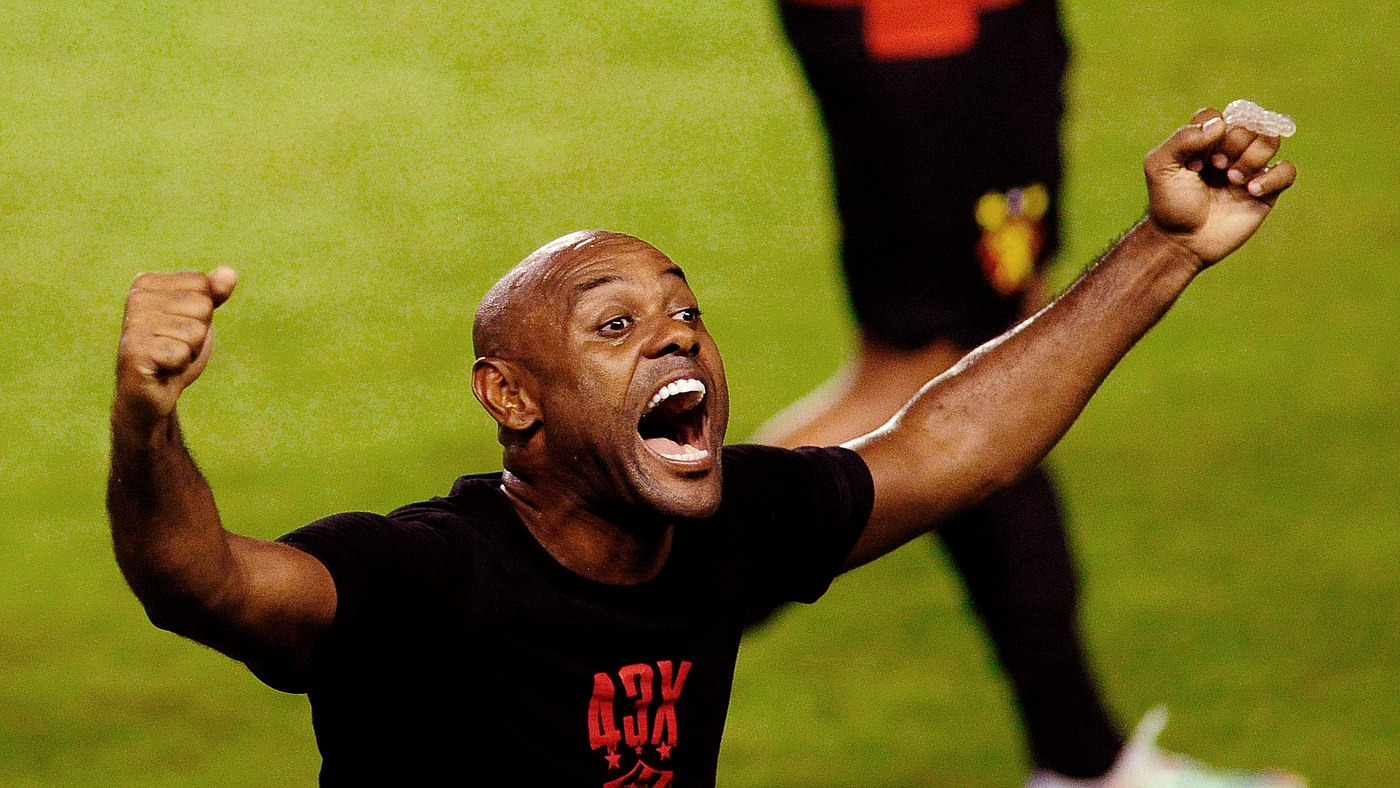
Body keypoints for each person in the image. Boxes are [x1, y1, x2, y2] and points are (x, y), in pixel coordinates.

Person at [107, 109, 1294, 786]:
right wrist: (148, 420)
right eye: (612, 324)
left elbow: (953, 444)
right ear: (509, 397)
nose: (675, 334)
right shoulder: (431, 579)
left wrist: (1165, 246)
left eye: (683, 310)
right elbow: (198, 578)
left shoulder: (729, 528)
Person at [758, 2, 1289, 784]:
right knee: (925, 368)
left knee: (1001, 350)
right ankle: (622, 589)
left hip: (990, 27)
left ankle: (1080, 757)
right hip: (921, 33)